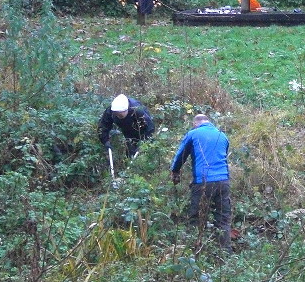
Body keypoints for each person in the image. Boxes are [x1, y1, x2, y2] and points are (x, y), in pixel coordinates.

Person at [170, 114, 232, 253]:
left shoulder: (193, 134)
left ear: (195, 124)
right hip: (223, 182)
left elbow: (181, 155)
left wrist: (175, 171)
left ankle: (194, 252)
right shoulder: (222, 136)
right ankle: (225, 255)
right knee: (223, 220)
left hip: (203, 182)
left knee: (196, 218)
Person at [98, 94, 155, 158]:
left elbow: (150, 128)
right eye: (116, 114)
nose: (118, 116)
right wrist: (105, 141)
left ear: (126, 110)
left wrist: (144, 143)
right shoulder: (111, 111)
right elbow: (103, 125)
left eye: (120, 115)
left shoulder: (137, 110)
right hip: (127, 131)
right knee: (131, 152)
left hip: (141, 129)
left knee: (144, 154)